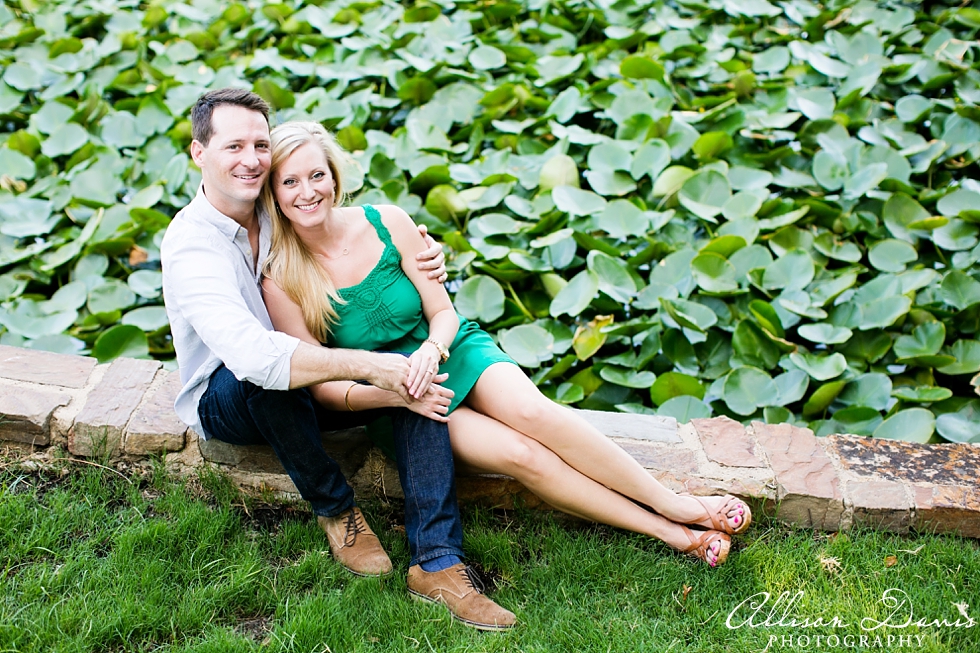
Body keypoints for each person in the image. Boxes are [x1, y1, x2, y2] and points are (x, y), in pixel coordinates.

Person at [260, 121, 753, 571]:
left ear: (334, 176)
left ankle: (677, 503)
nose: (308, 192)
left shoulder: (387, 221)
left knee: (536, 414)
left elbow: (443, 312)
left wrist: (433, 348)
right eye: (291, 182)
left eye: (317, 175)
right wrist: (392, 391)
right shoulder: (281, 277)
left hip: (454, 349)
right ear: (275, 194)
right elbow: (322, 383)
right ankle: (670, 533)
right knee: (523, 457)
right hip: (401, 397)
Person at [161, 89, 516, 632]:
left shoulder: (272, 198)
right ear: (198, 153)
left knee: (407, 375)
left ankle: (438, 563)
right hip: (232, 397)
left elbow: (343, 222)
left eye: (260, 144)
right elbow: (255, 357)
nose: (251, 159)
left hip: (311, 380)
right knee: (268, 376)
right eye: (234, 145)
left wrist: (420, 252)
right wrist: (368, 368)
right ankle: (336, 507)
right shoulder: (192, 246)